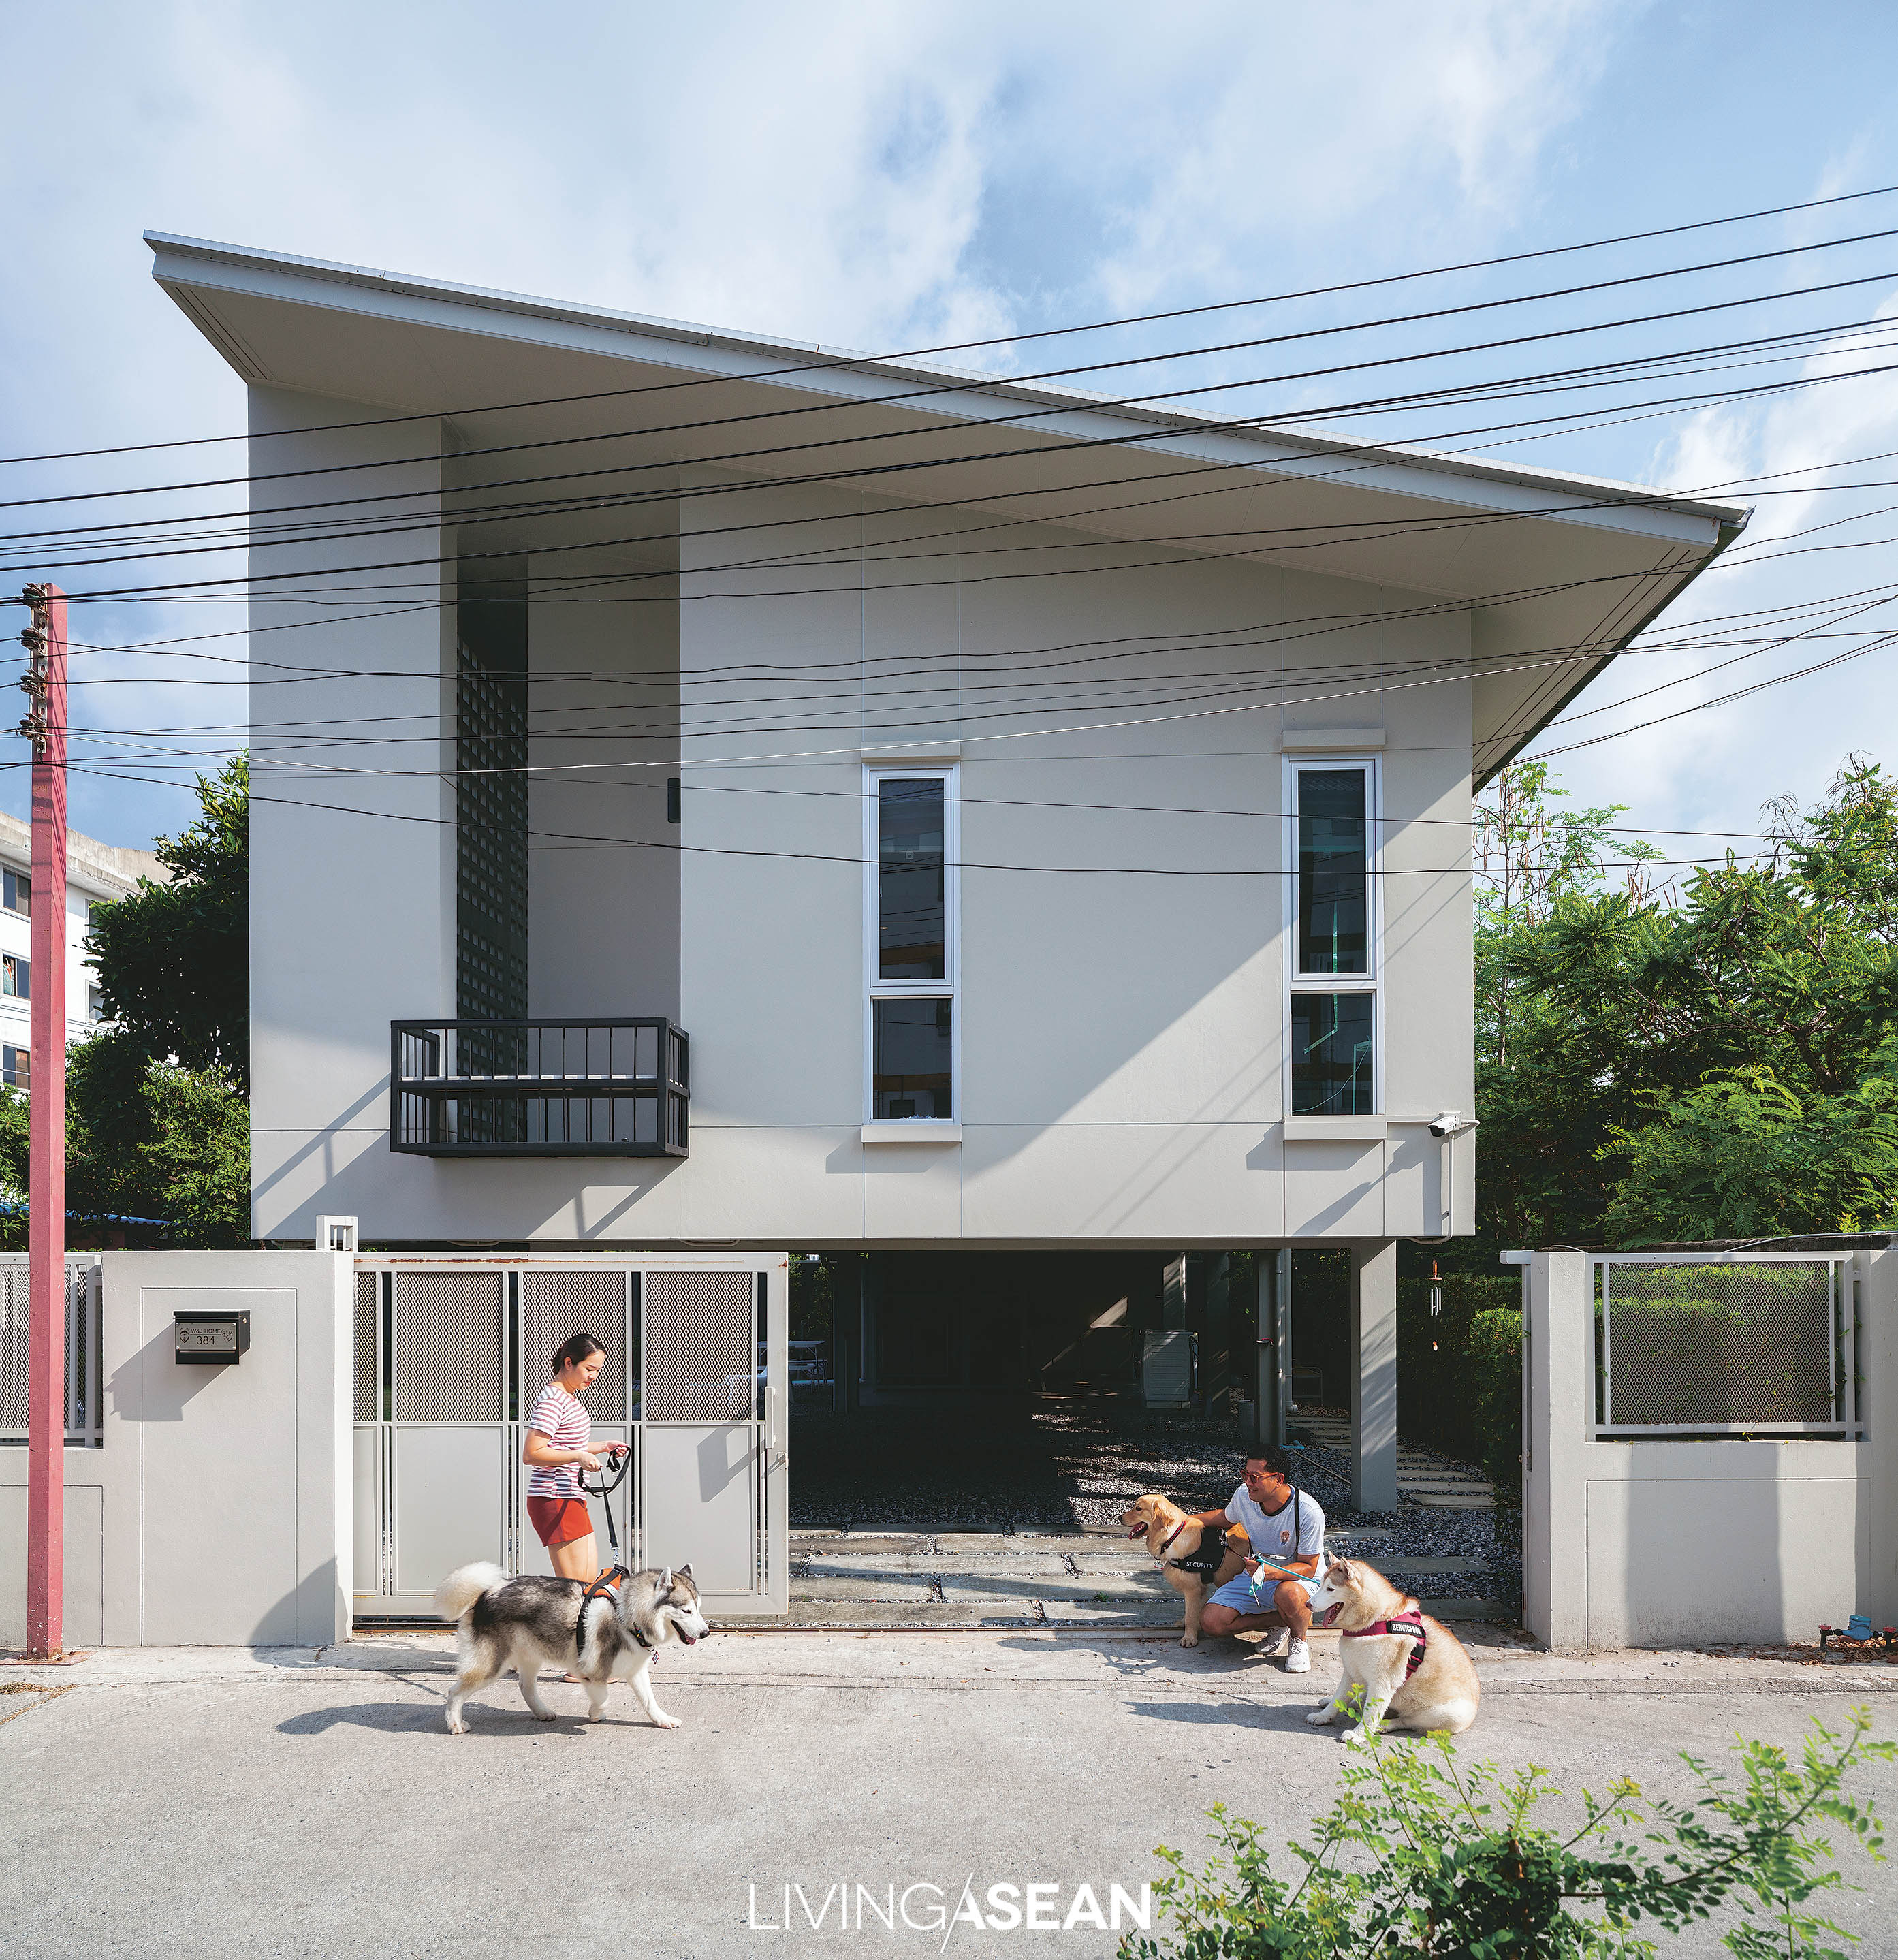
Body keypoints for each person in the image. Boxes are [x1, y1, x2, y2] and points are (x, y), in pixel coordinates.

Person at [1192, 1445, 1327, 1673]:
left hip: (1300, 1580)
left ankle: (1299, 1639)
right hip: (1257, 1575)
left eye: (1255, 1477)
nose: (1248, 1482)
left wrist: (1270, 1571)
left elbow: (1309, 1567)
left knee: (1288, 1594)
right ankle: (1282, 1621)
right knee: (1211, 1622)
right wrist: (1183, 1520)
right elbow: (1225, 1517)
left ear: (1278, 1479)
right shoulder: (1245, 1496)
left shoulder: (1307, 1511)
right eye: (1245, 1474)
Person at [523, 1333, 627, 1583]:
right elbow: (532, 1453)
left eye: (598, 1370)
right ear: (569, 1363)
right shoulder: (552, 1401)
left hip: (569, 1496)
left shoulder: (568, 1398)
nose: (594, 1376)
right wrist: (579, 1456)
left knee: (585, 1584)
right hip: (554, 1496)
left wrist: (603, 1446)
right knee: (574, 1589)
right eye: (589, 1369)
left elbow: (565, 1445)